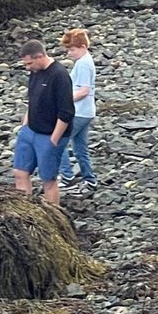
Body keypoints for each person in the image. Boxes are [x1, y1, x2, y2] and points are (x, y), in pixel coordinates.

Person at [13, 39, 75, 208]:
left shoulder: (59, 75)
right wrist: (25, 123)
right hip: (30, 131)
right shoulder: (35, 71)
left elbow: (67, 112)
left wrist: (54, 139)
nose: (28, 68)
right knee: (20, 172)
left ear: (40, 56)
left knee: (48, 179)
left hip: (49, 135)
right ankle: (25, 210)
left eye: (29, 63)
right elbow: (32, 98)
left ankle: (53, 214)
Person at [60, 28, 96, 194]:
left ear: (83, 47)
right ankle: (90, 179)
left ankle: (67, 177)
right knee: (80, 148)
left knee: (57, 142)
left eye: (72, 49)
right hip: (87, 111)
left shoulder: (83, 64)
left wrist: (63, 101)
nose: (69, 53)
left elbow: (83, 91)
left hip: (79, 112)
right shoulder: (86, 60)